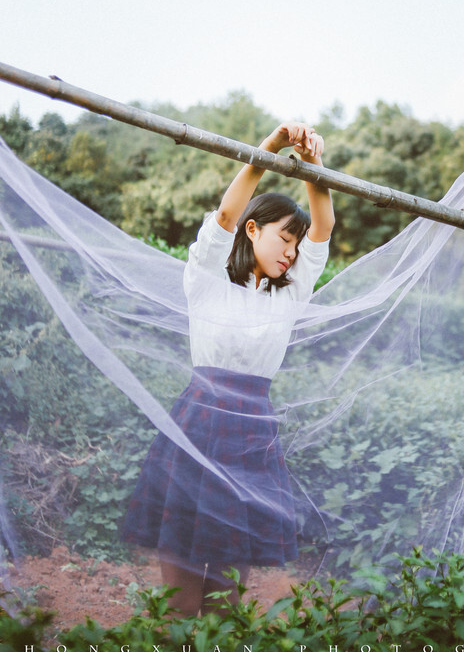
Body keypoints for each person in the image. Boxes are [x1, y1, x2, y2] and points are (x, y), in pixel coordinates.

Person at [121, 121, 334, 617]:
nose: (292, 253)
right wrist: (272, 146)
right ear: (254, 230)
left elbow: (322, 229)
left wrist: (314, 168)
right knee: (179, 594)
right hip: (199, 424)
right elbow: (225, 215)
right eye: (285, 239)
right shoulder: (206, 279)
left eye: (297, 247)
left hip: (251, 435)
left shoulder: (291, 294)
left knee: (227, 594)